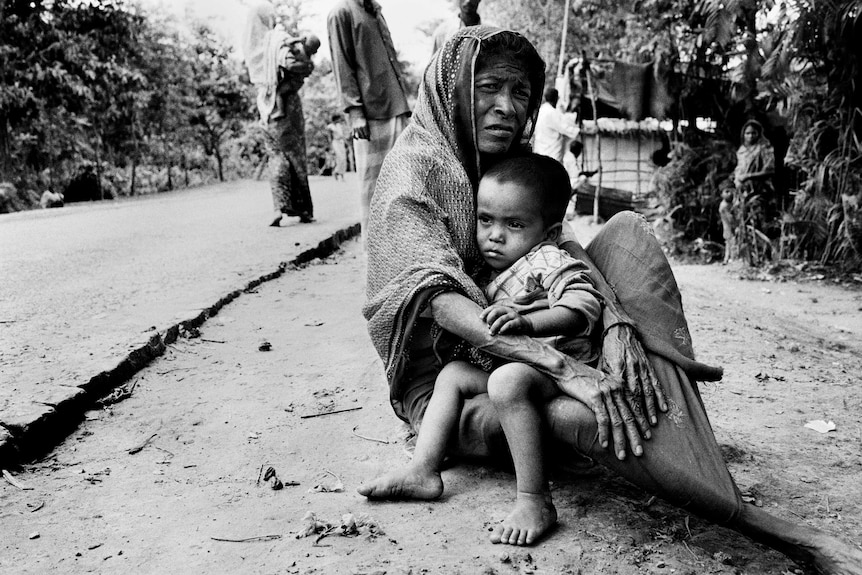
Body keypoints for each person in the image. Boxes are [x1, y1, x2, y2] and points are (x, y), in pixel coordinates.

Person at [362, 26, 862, 570]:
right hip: (456, 384)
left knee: (626, 238)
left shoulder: (512, 163)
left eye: (521, 93)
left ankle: (679, 431)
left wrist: (619, 323)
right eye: (488, 88)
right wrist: (562, 365)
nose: (506, 107)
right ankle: (755, 520)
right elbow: (436, 297)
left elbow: (562, 244)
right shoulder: (411, 174)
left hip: (537, 339)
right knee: (551, 406)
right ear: (451, 88)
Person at [359, 153, 603, 546]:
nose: (495, 235)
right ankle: (423, 468)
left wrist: (530, 322)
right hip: (526, 365)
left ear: (549, 231)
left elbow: (582, 304)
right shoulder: (492, 269)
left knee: (506, 382)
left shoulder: (547, 258)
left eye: (515, 224)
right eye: (485, 220)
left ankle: (535, 500)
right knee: (452, 375)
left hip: (563, 368)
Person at [327, 0, 411, 237]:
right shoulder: (341, 13)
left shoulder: (374, 10)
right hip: (371, 115)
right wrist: (355, 113)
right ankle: (376, 253)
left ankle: (402, 246)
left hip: (397, 107)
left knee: (404, 184)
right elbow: (342, 65)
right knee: (373, 188)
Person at [242, 0, 315, 227]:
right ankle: (303, 208)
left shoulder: (252, 48)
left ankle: (279, 207)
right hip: (288, 106)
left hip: (265, 105)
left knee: (275, 156)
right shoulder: (276, 40)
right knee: (294, 154)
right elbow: (294, 64)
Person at [272, 35, 320, 121]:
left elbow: (291, 67)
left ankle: (281, 111)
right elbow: (287, 43)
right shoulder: (301, 53)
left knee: (280, 93)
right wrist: (298, 39)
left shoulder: (307, 61)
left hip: (294, 82)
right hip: (293, 80)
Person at [533, 88, 580, 163]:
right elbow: (565, 128)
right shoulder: (552, 113)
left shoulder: (541, 110)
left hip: (540, 150)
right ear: (557, 98)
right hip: (551, 152)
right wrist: (580, 131)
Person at [326, 114, 348, 182]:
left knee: (344, 158)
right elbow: (329, 137)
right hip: (335, 142)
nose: (339, 120)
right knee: (339, 158)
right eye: (338, 119)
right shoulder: (330, 127)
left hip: (341, 142)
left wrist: (346, 142)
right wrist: (330, 147)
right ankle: (336, 171)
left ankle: (342, 175)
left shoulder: (339, 125)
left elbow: (342, 135)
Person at [718, 185, 737, 264]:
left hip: (726, 228)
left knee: (728, 244)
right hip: (728, 227)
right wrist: (736, 225)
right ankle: (732, 259)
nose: (729, 194)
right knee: (732, 243)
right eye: (726, 192)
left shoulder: (727, 204)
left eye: (730, 191)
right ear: (721, 194)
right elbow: (730, 219)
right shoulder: (724, 206)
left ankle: (726, 259)